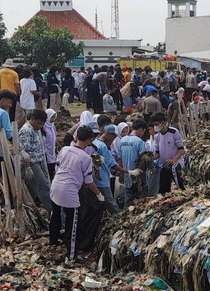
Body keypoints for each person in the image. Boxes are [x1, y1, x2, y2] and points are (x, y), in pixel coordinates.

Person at [50, 126, 105, 259]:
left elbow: (57, 168)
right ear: (89, 141)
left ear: (76, 136)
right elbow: (88, 181)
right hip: (69, 193)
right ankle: (72, 254)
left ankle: (53, 241)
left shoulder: (64, 149)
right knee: (73, 224)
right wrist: (99, 195)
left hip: (55, 187)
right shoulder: (85, 158)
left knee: (55, 216)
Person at [93, 124, 139, 213]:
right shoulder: (103, 147)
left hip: (93, 179)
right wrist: (129, 171)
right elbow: (113, 165)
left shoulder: (94, 142)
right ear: (108, 134)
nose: (114, 140)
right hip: (102, 180)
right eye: (113, 137)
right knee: (110, 202)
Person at [19, 109, 52, 212]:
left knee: (31, 191)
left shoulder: (34, 129)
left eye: (42, 124)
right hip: (31, 164)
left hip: (37, 162)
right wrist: (28, 167)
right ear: (32, 119)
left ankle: (30, 211)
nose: (40, 126)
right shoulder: (26, 131)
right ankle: (54, 212)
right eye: (39, 123)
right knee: (44, 187)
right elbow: (25, 152)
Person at [149, 112, 185, 194]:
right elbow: (157, 153)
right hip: (165, 164)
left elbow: (181, 150)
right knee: (163, 185)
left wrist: (174, 160)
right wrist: (151, 157)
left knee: (174, 173)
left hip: (176, 162)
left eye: (156, 124)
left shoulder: (173, 132)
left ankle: (182, 192)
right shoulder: (157, 136)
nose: (155, 127)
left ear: (162, 123)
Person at [117, 119, 147, 206]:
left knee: (128, 197)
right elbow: (143, 159)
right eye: (144, 131)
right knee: (140, 200)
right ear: (141, 129)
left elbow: (120, 159)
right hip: (137, 175)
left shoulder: (122, 141)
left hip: (126, 174)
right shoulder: (139, 142)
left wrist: (121, 174)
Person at [43, 108, 58, 180]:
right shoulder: (43, 127)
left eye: (54, 117)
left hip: (52, 150)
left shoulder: (52, 126)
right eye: (52, 117)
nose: (53, 119)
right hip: (46, 151)